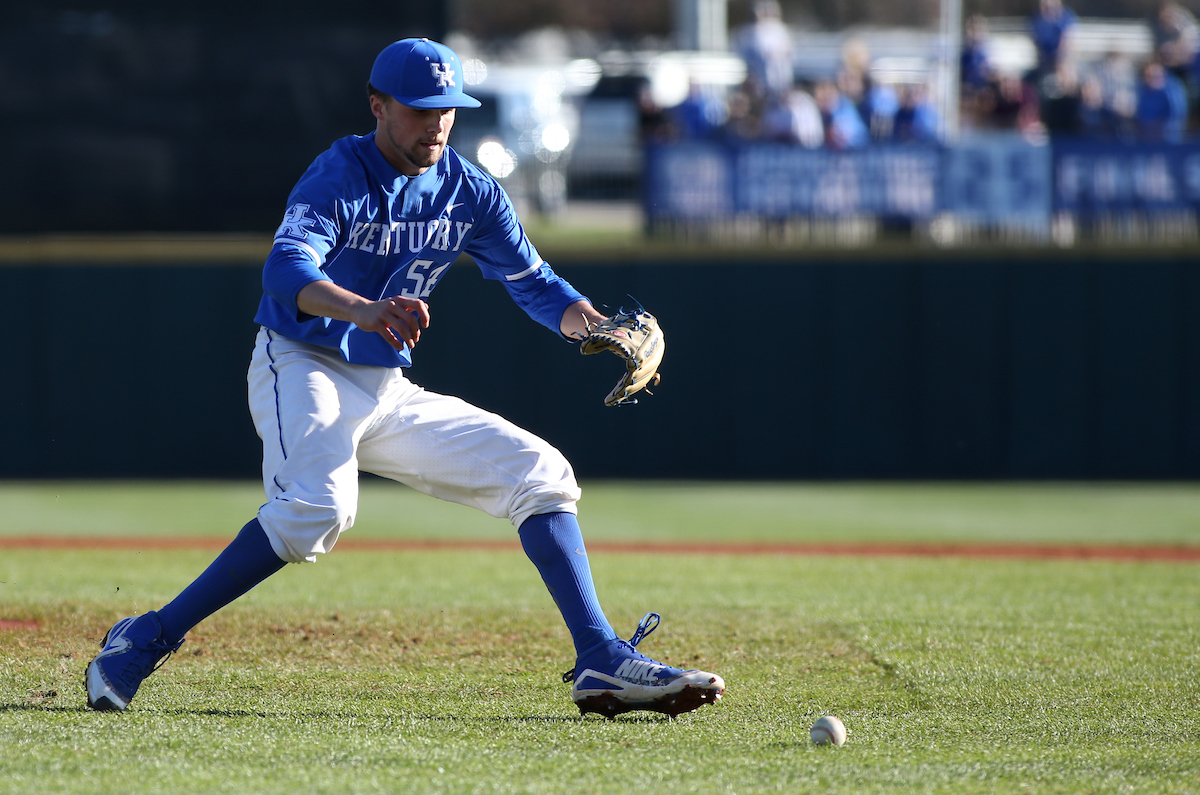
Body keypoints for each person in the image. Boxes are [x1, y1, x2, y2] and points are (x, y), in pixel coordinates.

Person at [84, 37, 725, 720]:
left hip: (386, 386)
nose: (436, 123)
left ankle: (599, 657)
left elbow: (533, 283)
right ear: (378, 106)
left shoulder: (469, 190)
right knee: (319, 510)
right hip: (301, 362)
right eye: (419, 108)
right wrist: (364, 309)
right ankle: (145, 636)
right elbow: (285, 271)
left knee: (542, 473)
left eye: (447, 107)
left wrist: (595, 324)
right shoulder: (341, 172)